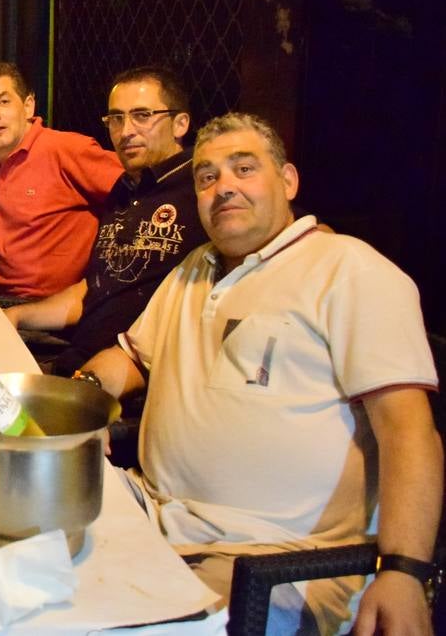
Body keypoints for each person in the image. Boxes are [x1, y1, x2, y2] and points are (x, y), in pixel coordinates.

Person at [79, 113, 442, 634]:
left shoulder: (348, 269)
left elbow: (409, 430)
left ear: (288, 180)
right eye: (207, 177)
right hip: (149, 510)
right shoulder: (195, 268)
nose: (223, 187)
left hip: (269, 562)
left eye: (243, 169)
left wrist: (405, 571)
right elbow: (130, 360)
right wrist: (79, 399)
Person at [3, 66, 205, 374]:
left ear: (180, 123)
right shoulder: (124, 189)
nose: (126, 132)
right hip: (73, 358)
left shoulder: (200, 192)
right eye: (116, 118)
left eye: (142, 115)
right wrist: (18, 315)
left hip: (126, 381)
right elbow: (95, 287)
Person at [0, 61, 122, 301]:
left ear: (28, 106)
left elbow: (138, 188)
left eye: (4, 101)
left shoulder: (65, 150)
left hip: (55, 313)